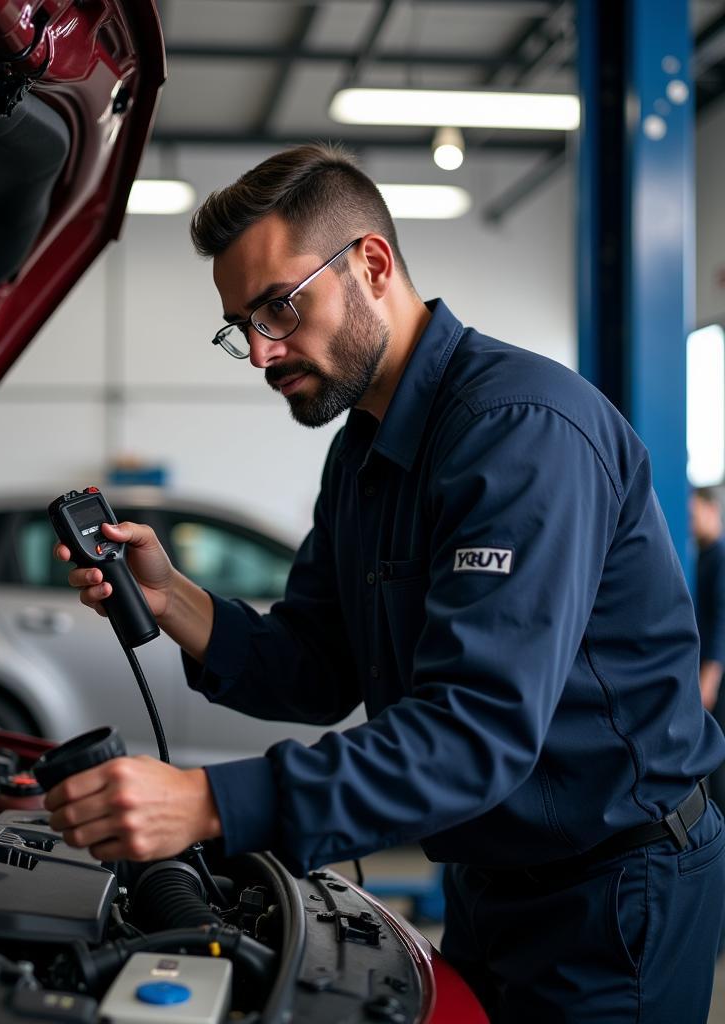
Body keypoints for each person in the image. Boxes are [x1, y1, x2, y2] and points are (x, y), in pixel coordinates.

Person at [45, 144, 725, 1022]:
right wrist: (174, 597)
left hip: (614, 892)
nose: (260, 351)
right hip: (496, 875)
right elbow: (323, 664)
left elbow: (474, 731)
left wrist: (209, 803)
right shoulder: (362, 450)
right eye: (240, 325)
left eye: (279, 307)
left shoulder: (520, 432)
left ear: (371, 264)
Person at [692, 486, 725, 814]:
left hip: (713, 677)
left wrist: (709, 681)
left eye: (694, 513)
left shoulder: (720, 556)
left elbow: (720, 621)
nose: (689, 521)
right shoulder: (700, 557)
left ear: (711, 511)